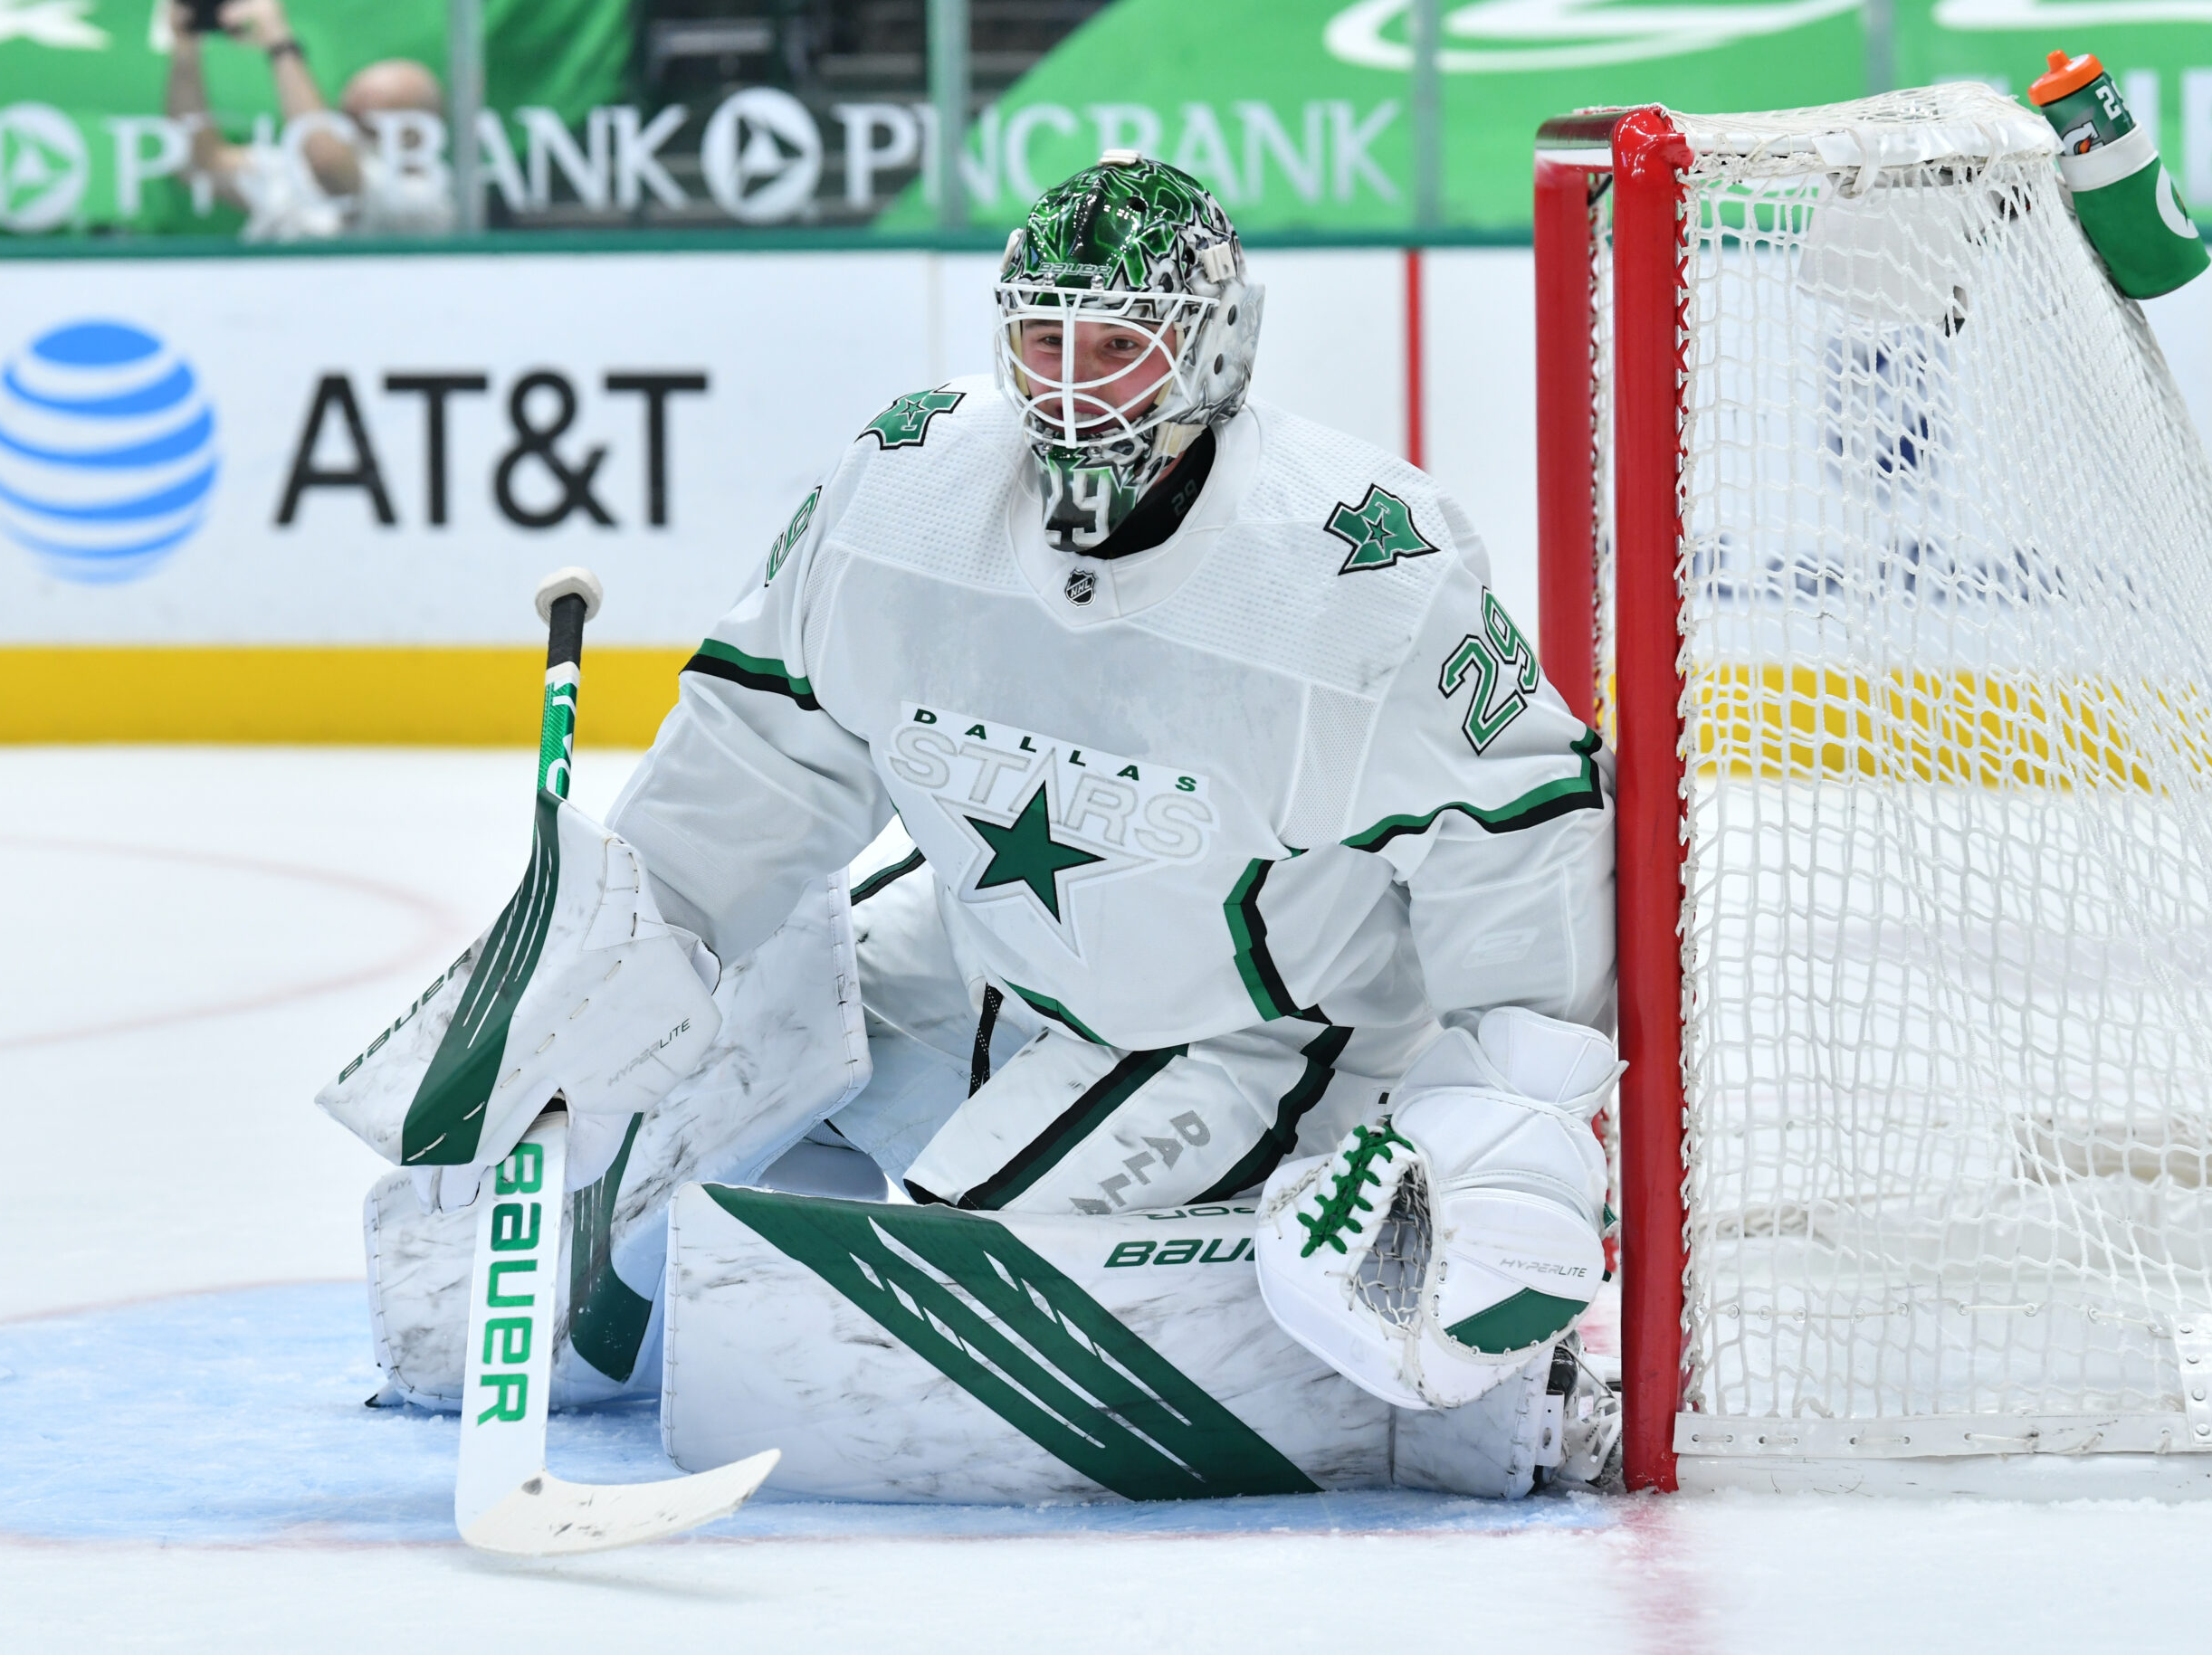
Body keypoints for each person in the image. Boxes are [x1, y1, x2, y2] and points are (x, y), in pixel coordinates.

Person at [320, 155, 1620, 1492]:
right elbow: (762, 759)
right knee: (599, 1168)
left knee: (901, 1341)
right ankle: (617, 1318)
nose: (1068, 381)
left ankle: (1458, 1381)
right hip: (980, 970)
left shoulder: (1354, 568)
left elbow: (1518, 828)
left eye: (1116, 344)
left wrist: (1514, 1113)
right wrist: (609, 960)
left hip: (1241, 1036)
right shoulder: (903, 491)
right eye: (1042, 337)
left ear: (1214, 352)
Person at [166, 0, 453, 242]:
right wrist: (186, 46)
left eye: (366, 120)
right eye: (345, 115)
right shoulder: (292, 170)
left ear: (418, 133)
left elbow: (326, 162)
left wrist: (280, 42)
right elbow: (200, 161)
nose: (347, 129)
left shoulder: (423, 198)